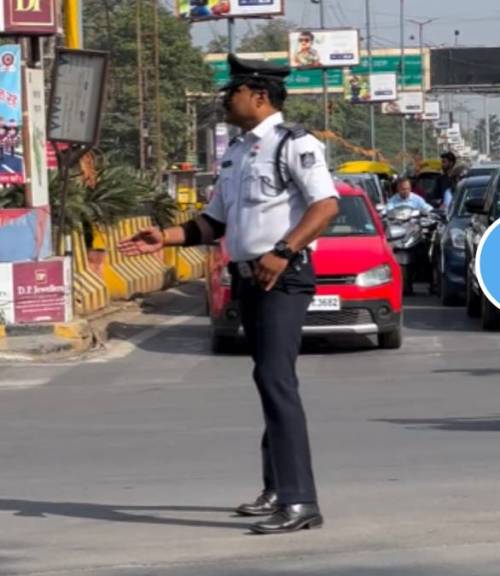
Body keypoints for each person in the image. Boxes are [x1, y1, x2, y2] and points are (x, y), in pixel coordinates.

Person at [118, 54, 340, 534]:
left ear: (258, 96)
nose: (225, 99)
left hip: (283, 276)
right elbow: (213, 222)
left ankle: (302, 501)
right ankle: (278, 488)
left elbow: (326, 206)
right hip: (248, 276)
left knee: (277, 380)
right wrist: (167, 236)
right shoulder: (238, 153)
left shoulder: (293, 144)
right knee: (268, 379)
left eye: (232, 91)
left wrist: (282, 251)